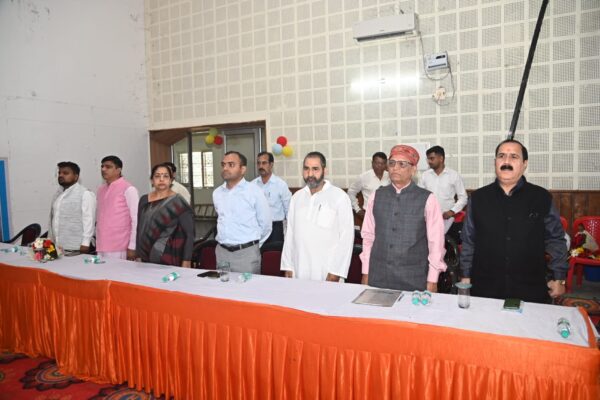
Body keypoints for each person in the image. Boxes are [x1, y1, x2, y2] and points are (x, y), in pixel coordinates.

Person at [459, 139, 568, 303]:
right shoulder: (478, 198)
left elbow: (555, 239)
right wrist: (465, 275)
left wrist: (559, 277)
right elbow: (469, 240)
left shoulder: (541, 197)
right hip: (485, 287)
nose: (506, 162)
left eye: (514, 157)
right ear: (495, 162)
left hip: (530, 287)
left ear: (525, 164)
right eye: (501, 156)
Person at [360, 145, 447, 291]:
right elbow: (368, 236)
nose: (395, 168)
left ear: (413, 170)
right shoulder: (376, 196)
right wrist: (365, 271)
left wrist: (433, 279)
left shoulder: (427, 199)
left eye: (402, 164)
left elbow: (436, 242)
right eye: (392, 163)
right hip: (378, 275)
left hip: (413, 278)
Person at [281, 152, 354, 281]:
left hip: (327, 272)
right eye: (306, 168)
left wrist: (336, 272)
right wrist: (287, 265)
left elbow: (346, 238)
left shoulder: (339, 197)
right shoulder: (296, 198)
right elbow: (290, 233)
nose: (310, 174)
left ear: (324, 170)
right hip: (299, 268)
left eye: (315, 169)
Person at [213, 151, 272, 273]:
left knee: (248, 286)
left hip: (246, 255)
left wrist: (252, 246)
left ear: (243, 169)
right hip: (222, 253)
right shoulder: (217, 193)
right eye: (223, 164)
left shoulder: (254, 191)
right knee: (223, 285)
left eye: (231, 165)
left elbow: (266, 225)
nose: (225, 168)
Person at [136, 163, 195, 267]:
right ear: (152, 180)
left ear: (171, 180)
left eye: (166, 176)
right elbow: (140, 228)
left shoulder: (178, 202)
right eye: (157, 176)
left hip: (168, 256)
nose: (161, 179)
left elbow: (189, 234)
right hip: (145, 256)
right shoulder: (144, 199)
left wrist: (187, 260)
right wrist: (138, 254)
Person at [96, 155, 139, 260]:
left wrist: (132, 246)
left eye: (108, 167)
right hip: (101, 245)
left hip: (120, 246)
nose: (103, 169)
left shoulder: (129, 189)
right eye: (102, 166)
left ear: (118, 170)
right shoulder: (101, 190)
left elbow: (136, 219)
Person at [48, 161, 96, 253]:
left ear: (76, 177)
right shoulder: (58, 194)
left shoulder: (85, 193)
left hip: (77, 248)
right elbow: (52, 220)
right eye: (59, 173)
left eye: (65, 173)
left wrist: (85, 243)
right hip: (58, 247)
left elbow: (89, 220)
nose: (61, 175)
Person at [419, 146, 468, 233]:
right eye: (428, 159)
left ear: (441, 158)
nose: (429, 161)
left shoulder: (454, 175)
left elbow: (463, 197)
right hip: (428, 218)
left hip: (447, 219)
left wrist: (452, 211)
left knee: (443, 240)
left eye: (432, 158)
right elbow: (419, 196)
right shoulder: (425, 176)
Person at [252, 151, 292, 244]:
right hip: (257, 228)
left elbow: (289, 210)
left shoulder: (281, 185)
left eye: (264, 163)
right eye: (258, 163)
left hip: (276, 229)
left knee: (274, 253)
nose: (261, 166)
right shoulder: (252, 185)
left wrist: (290, 233)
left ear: (271, 164)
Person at [347, 152, 390, 218]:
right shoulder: (363, 177)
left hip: (387, 214)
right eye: (377, 163)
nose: (380, 166)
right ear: (372, 163)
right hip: (369, 214)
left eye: (383, 163)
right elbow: (351, 192)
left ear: (386, 164)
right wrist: (357, 209)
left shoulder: (390, 176)